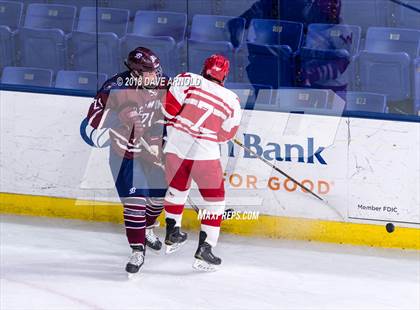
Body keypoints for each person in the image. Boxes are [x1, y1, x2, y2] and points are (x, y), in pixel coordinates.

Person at [81, 47, 168, 276]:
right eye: (150, 72)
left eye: (156, 70)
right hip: (125, 155)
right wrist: (118, 115)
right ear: (136, 73)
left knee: (158, 198)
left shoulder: (161, 83)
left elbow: (177, 105)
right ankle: (137, 250)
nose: (156, 75)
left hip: (152, 150)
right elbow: (92, 118)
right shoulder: (116, 87)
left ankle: (148, 228)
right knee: (136, 202)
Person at [161, 54, 242, 271]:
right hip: (205, 155)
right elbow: (225, 135)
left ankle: (172, 232)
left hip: (175, 148)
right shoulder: (232, 99)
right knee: (215, 201)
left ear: (203, 68)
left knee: (177, 190)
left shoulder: (186, 79)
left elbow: (168, 110)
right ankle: (205, 248)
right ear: (225, 75)